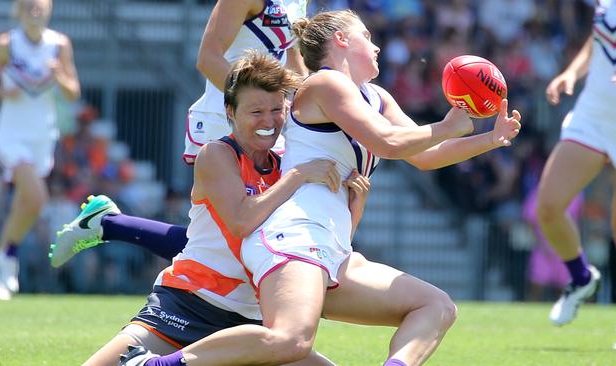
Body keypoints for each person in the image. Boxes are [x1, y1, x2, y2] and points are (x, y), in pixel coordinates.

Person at [119, 10, 521, 366]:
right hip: (294, 234)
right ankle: (155, 365)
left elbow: (424, 155)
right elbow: (390, 144)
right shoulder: (326, 84)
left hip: (331, 243)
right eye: (367, 36)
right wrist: (447, 126)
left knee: (436, 306)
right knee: (290, 340)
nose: (377, 45)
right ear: (342, 40)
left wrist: (489, 138)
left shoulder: (376, 97)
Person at [85, 51, 345, 366]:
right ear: (229, 112)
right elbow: (241, 221)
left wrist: (354, 195)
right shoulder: (217, 155)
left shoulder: (288, 163)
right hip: (187, 304)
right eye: (256, 111)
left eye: (277, 109)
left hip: (251, 322)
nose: (268, 121)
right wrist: (298, 176)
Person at [48, 0, 310, 268]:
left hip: (263, 120)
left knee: (236, 240)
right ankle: (109, 225)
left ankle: (109, 224)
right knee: (228, 239)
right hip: (227, 120)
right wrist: (248, 107)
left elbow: (293, 65)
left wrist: (316, 117)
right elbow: (208, 58)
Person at [537, 0, 616, 350]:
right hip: (593, 116)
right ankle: (581, 277)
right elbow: (598, 40)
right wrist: (572, 72)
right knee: (548, 207)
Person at [0, 0, 80, 300]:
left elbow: (73, 93)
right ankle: (6, 259)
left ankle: (5, 255)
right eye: (29, 5)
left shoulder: (59, 45)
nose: (35, 10)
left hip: (43, 136)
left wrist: (59, 74)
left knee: (29, 204)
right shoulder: (6, 44)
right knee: (36, 196)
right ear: (18, 10)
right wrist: (2, 91)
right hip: (11, 134)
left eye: (40, 5)